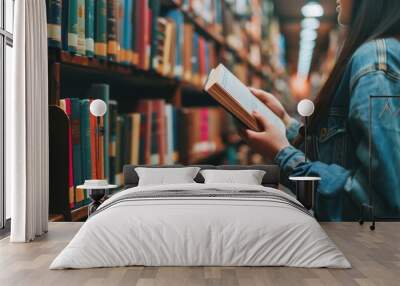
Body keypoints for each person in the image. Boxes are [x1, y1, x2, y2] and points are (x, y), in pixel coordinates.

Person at [239, 0, 400, 221]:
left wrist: (283, 155)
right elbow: (339, 154)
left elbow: (379, 204)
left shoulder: (375, 60)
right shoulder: (376, 55)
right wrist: (284, 123)